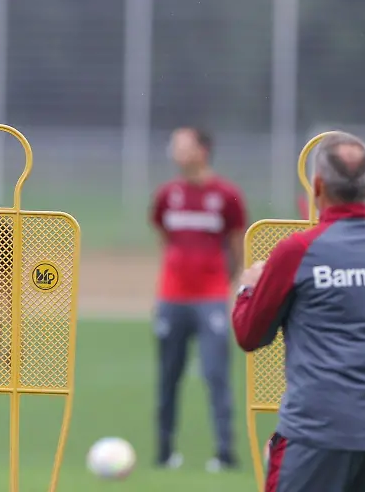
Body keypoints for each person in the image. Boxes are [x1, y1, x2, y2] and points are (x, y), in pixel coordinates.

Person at [232, 132, 365, 492]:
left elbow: (250, 335)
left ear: (318, 184)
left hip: (315, 433)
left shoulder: (297, 251)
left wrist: (248, 288)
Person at [149, 127, 246, 471]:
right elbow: (164, 235)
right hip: (172, 299)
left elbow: (236, 244)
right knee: (167, 377)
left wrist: (229, 284)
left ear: (202, 151)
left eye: (182, 145)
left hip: (210, 299)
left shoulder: (226, 195)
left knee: (216, 376)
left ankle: (224, 452)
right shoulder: (167, 194)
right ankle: (163, 452)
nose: (175, 151)